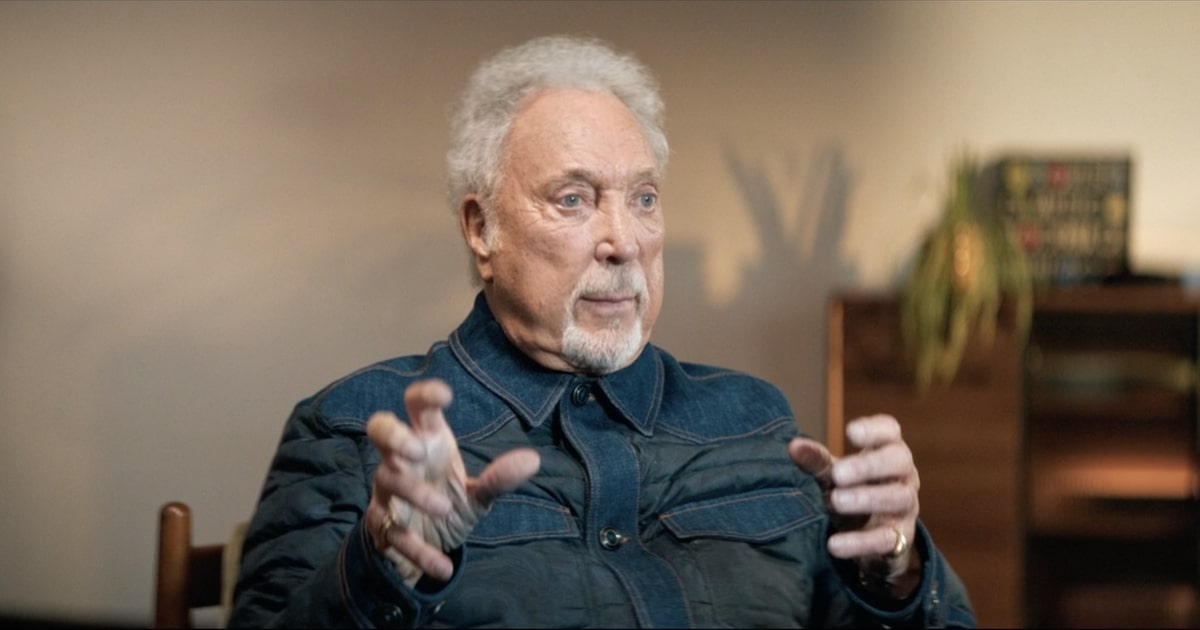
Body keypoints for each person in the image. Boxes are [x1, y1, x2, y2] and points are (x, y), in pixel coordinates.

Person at [227, 34, 975, 628]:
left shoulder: (756, 420)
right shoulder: (353, 430)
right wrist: (381, 567)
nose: (624, 241)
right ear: (481, 229)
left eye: (643, 198)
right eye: (574, 199)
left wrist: (895, 573)